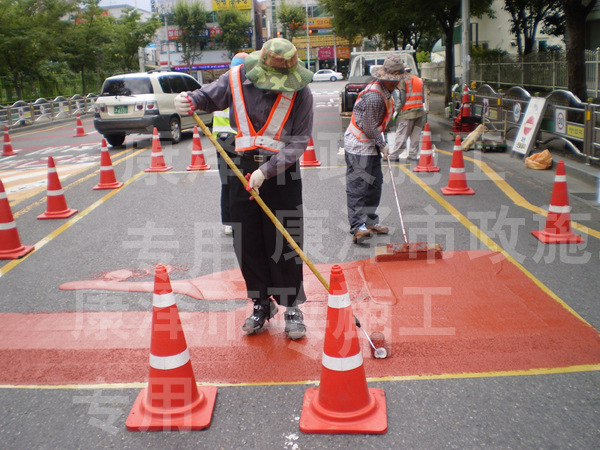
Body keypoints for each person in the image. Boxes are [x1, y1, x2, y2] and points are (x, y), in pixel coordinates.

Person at [174, 38, 313, 340]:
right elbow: (206, 98)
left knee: (285, 240)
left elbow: (300, 141)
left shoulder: (301, 92)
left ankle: (291, 306)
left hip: (283, 172)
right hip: (241, 167)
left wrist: (268, 170)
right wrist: (189, 100)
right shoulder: (236, 78)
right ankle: (261, 303)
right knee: (246, 240)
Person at [343, 55, 405, 244]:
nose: (397, 83)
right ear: (385, 78)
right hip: (359, 145)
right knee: (358, 187)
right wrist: (382, 143)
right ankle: (357, 227)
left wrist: (381, 141)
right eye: (394, 80)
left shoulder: (386, 92)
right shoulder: (373, 97)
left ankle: (369, 222)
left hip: (370, 144)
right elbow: (369, 126)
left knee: (374, 185)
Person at [212, 52, 248, 236]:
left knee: (227, 182)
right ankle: (239, 220)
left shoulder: (223, 84)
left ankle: (229, 221)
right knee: (241, 181)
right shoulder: (242, 86)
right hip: (237, 140)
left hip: (222, 140)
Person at [391, 67, 426, 161]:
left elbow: (402, 99)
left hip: (408, 112)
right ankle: (413, 154)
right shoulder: (419, 80)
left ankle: (394, 155)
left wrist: (397, 110)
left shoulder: (404, 81)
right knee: (415, 134)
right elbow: (423, 98)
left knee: (402, 134)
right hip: (419, 110)